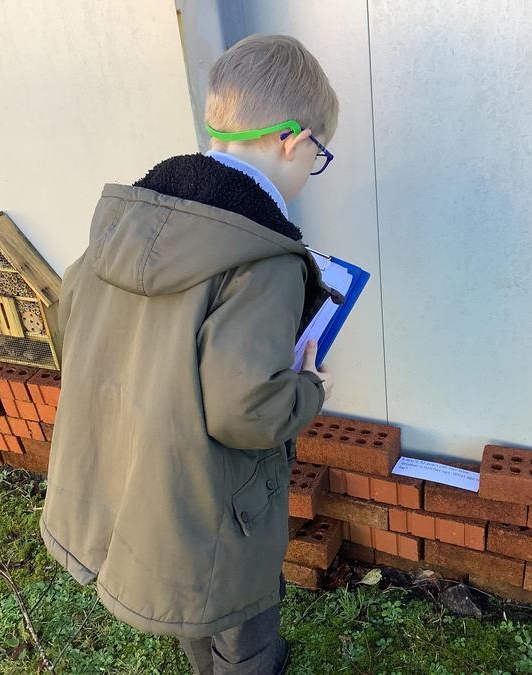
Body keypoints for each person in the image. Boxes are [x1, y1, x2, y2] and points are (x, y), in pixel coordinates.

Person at [38, 33, 339, 674]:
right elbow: (247, 411)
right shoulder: (262, 259)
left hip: (138, 475)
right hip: (214, 500)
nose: (310, 173)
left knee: (188, 603)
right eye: (319, 156)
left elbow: (71, 319)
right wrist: (310, 387)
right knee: (240, 623)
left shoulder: (128, 219)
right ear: (292, 139)